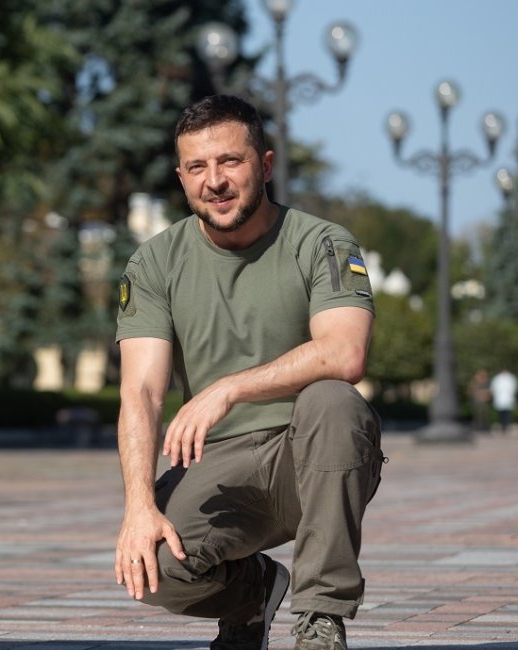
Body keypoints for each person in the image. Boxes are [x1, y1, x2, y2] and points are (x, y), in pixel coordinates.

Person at [112, 95, 383, 650]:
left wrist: (229, 388)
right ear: (181, 176)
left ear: (264, 164)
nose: (214, 180)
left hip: (312, 450)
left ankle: (319, 620)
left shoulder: (322, 243)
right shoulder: (155, 262)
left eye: (229, 162)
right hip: (222, 464)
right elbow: (140, 390)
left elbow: (344, 353)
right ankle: (253, 592)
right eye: (197, 167)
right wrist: (138, 506)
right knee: (154, 566)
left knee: (334, 400)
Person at [488, 368, 518, 434]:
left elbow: (514, 388)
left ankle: (507, 426)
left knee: (507, 414)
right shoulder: (497, 378)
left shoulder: (511, 378)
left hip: (507, 399)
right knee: (501, 414)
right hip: (500, 399)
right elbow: (494, 388)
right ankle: (503, 427)